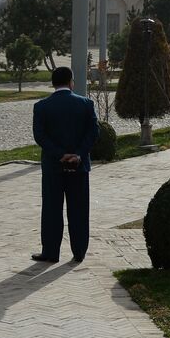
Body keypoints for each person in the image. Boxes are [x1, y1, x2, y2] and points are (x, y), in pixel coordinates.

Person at [30, 66, 98, 263]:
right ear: (71, 82)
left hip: (53, 166)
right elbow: (93, 133)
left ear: (53, 83)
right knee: (79, 209)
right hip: (79, 166)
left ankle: (51, 252)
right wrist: (77, 154)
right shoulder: (86, 104)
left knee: (52, 209)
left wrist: (60, 154)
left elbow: (40, 136)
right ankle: (79, 252)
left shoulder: (41, 106)